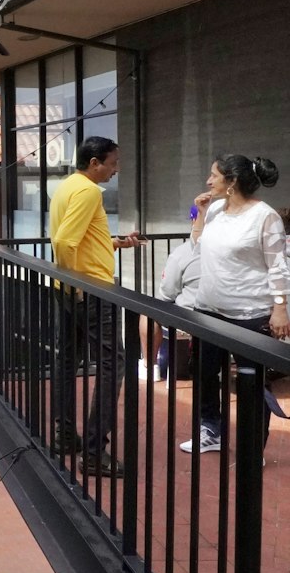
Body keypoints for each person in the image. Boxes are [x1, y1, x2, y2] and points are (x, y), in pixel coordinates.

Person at [181, 154, 290, 455]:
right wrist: (201, 213)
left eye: (214, 175)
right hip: (208, 310)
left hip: (249, 314)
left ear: (232, 182)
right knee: (203, 375)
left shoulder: (265, 216)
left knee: (250, 383)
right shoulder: (215, 209)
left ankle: (253, 446)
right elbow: (197, 246)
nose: (208, 181)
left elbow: (278, 266)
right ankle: (211, 431)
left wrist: (280, 308)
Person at [49, 136, 144, 476]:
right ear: (94, 163)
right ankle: (93, 452)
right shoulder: (89, 191)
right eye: (113, 163)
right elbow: (63, 241)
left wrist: (114, 243)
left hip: (69, 288)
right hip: (88, 291)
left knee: (67, 359)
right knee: (113, 364)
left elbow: (77, 237)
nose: (116, 170)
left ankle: (63, 435)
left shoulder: (68, 185)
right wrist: (78, 285)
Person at [141, 206, 203, 379]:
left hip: (191, 318)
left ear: (193, 221)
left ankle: (149, 366)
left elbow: (167, 294)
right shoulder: (230, 252)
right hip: (227, 317)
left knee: (148, 313)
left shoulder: (182, 253)